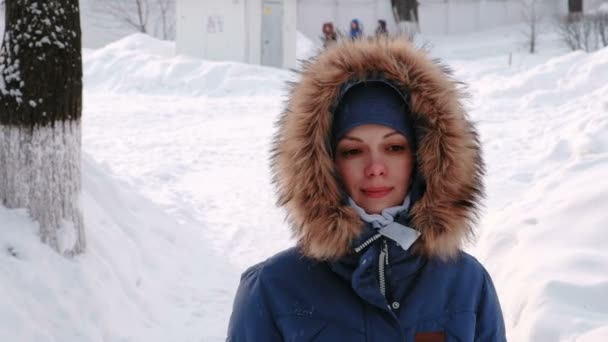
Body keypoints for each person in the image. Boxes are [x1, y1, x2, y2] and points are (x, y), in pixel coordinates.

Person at [227, 38, 506, 341]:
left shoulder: (466, 284)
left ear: (424, 157)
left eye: (394, 147)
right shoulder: (272, 289)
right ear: (324, 164)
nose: (375, 167)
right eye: (352, 151)